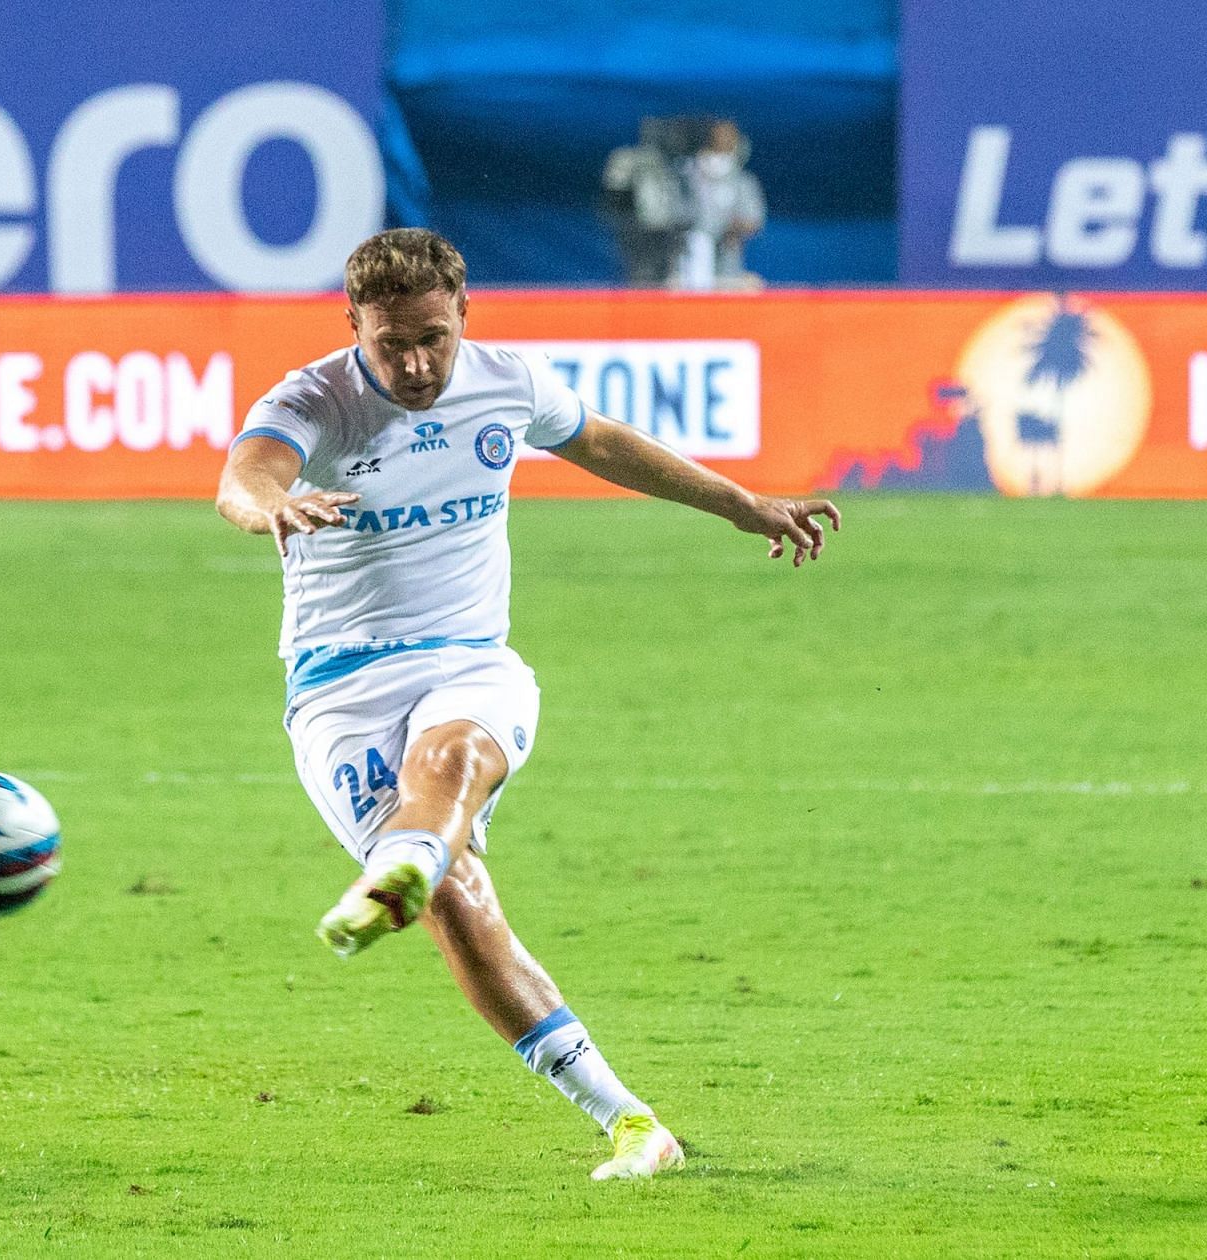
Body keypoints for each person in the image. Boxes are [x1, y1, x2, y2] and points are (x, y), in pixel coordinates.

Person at [214, 228, 839, 1181]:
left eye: (434, 335)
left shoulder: (509, 383)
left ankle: (408, 857)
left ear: (465, 314)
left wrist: (742, 505)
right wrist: (271, 508)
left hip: (469, 657)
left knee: (452, 754)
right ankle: (634, 1123)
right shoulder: (314, 399)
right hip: (337, 687)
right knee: (460, 908)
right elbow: (247, 471)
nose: (417, 363)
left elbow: (604, 445)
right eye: (392, 344)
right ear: (353, 328)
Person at [676, 119, 766, 291]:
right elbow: (674, 216)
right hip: (690, 265)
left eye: (729, 137)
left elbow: (754, 221)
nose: (723, 140)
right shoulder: (687, 176)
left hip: (728, 267)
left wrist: (734, 227)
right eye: (718, 135)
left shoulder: (743, 182)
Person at [599, 117, 689, 287]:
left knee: (666, 275)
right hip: (640, 228)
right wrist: (627, 224)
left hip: (667, 228)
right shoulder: (628, 158)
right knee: (642, 274)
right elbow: (614, 194)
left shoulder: (674, 163)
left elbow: (680, 199)